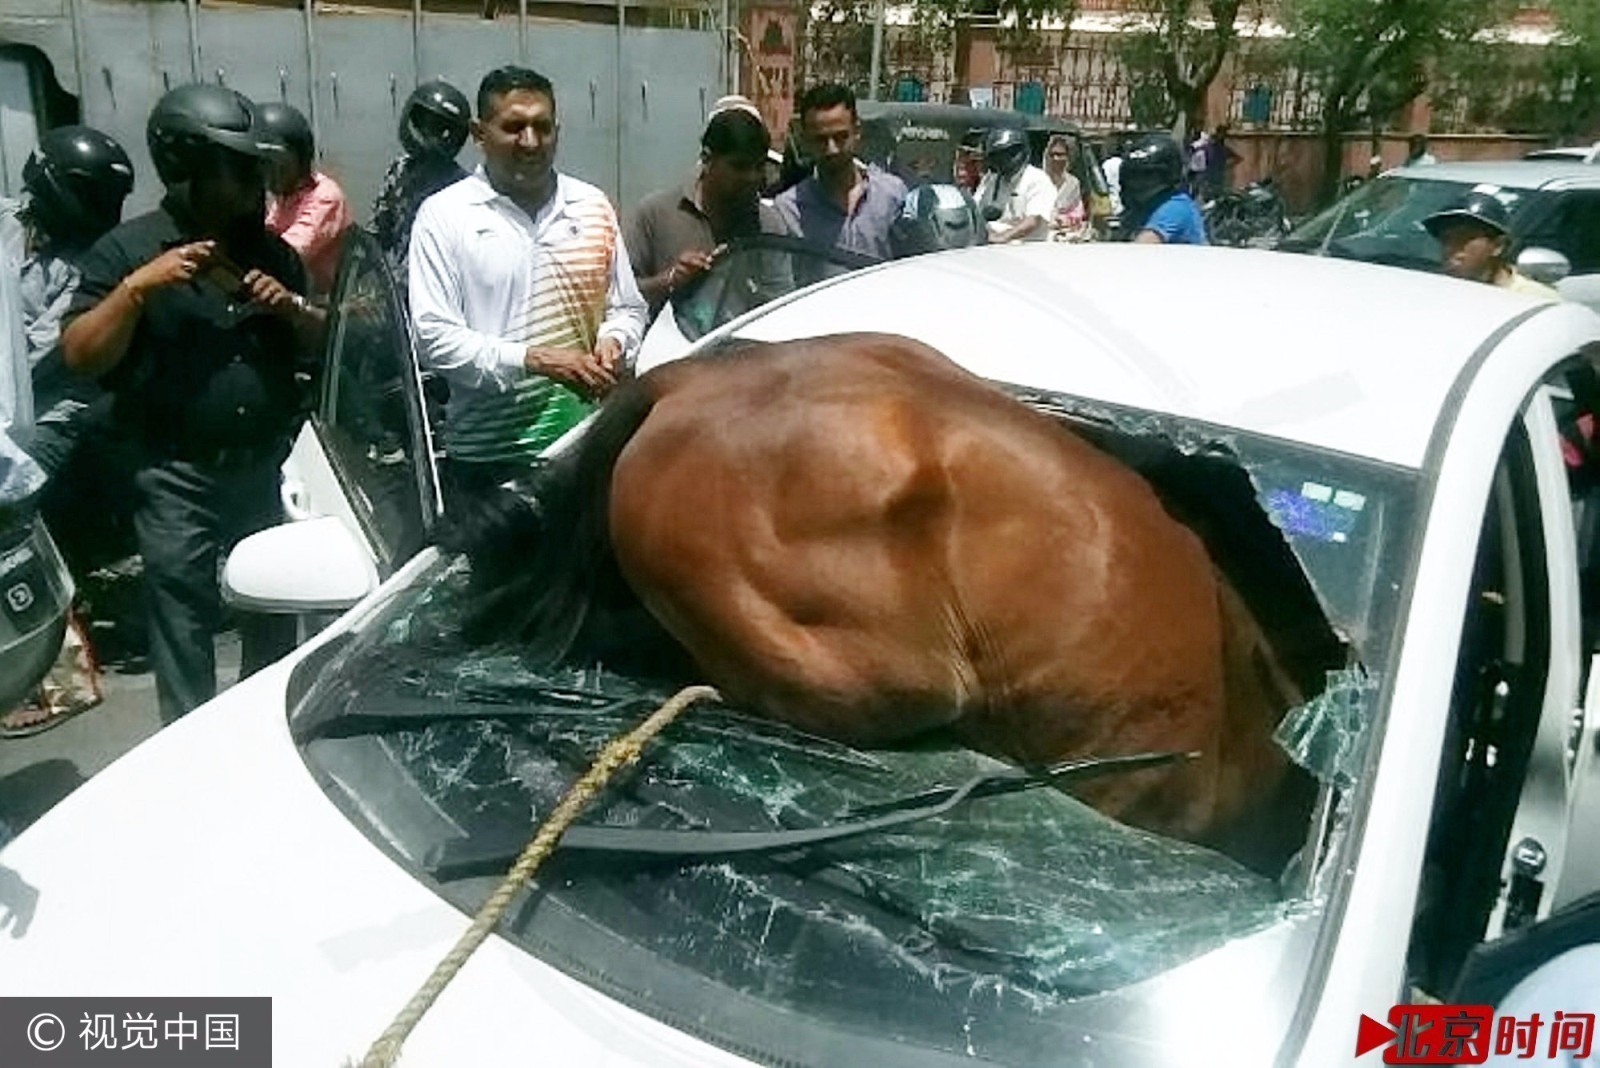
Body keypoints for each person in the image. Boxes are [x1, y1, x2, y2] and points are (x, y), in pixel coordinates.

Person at [60, 83, 323, 722]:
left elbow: (324, 339)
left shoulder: (275, 255)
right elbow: (80, 355)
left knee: (273, 606)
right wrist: (136, 291)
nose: (256, 182)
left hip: (262, 469)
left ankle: (262, 729)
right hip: (175, 473)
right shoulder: (128, 251)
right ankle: (189, 740)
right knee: (180, 617)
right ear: (186, 168)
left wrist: (290, 310)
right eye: (238, 169)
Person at [408, 66, 647, 501]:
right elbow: (433, 339)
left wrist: (615, 341)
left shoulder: (591, 206)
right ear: (480, 133)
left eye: (542, 127)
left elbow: (627, 308)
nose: (531, 142)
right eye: (514, 128)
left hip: (587, 446)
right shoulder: (445, 216)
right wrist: (534, 360)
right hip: (490, 460)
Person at [0, 125, 134, 736]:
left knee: (12, 504)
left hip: (56, 407)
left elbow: (42, 357)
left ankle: (60, 679)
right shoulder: (10, 226)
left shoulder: (87, 264)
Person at [625, 107, 786, 320]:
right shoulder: (655, 214)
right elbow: (620, 298)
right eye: (739, 167)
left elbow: (783, 303)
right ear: (707, 159)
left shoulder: (767, 223)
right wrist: (671, 279)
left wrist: (743, 285)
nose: (752, 177)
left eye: (758, 167)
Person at [773, 83, 906, 260]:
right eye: (821, 140)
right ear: (805, 141)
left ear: (857, 132)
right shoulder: (789, 212)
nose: (832, 149)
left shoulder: (891, 195)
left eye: (840, 137)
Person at [371, 79, 471, 273]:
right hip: (398, 292)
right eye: (426, 125)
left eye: (440, 130)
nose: (429, 137)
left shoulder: (461, 189)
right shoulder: (399, 171)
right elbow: (377, 234)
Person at [258, 101, 351, 294]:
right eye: (264, 162)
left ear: (300, 157)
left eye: (278, 163)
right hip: (296, 292)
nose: (270, 171)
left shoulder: (324, 198)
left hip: (327, 308)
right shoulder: (287, 195)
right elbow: (270, 233)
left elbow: (289, 256)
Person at [1422, 190, 1558, 298]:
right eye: (1446, 239)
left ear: (1498, 246)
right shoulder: (1434, 291)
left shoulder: (1533, 299)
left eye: (1464, 238)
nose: (1450, 250)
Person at [1118, 133, 1208, 246]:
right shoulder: (1139, 209)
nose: (1135, 182)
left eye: (1146, 176)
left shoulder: (1175, 208)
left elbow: (1141, 249)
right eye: (1132, 175)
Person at [974, 127, 1055, 244]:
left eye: (1009, 154)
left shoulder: (1037, 179)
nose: (1003, 159)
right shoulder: (991, 179)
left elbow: (1033, 221)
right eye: (997, 155)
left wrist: (1003, 237)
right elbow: (976, 209)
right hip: (989, 244)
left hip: (1025, 247)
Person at [1042, 133, 1089, 240]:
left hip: (1064, 235)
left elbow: (1077, 212)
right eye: (1052, 154)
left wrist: (1066, 221)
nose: (1055, 158)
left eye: (1060, 154)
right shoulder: (1039, 179)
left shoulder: (1073, 183)